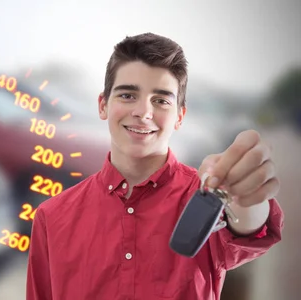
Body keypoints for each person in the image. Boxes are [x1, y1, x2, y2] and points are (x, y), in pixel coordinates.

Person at [25, 32, 284, 300]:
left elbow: (247, 228)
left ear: (179, 116)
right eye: (127, 95)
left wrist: (247, 196)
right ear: (103, 105)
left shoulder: (207, 199)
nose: (143, 112)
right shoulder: (51, 217)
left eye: (161, 100)